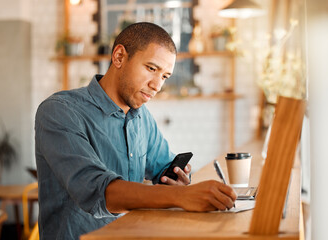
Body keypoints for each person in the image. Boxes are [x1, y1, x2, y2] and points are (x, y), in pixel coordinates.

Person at [35, 22, 236, 240]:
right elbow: (96, 191)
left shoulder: (141, 117)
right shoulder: (59, 111)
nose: (157, 85)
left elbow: (164, 169)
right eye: (151, 69)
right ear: (119, 56)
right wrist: (180, 196)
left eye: (165, 76)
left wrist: (177, 180)